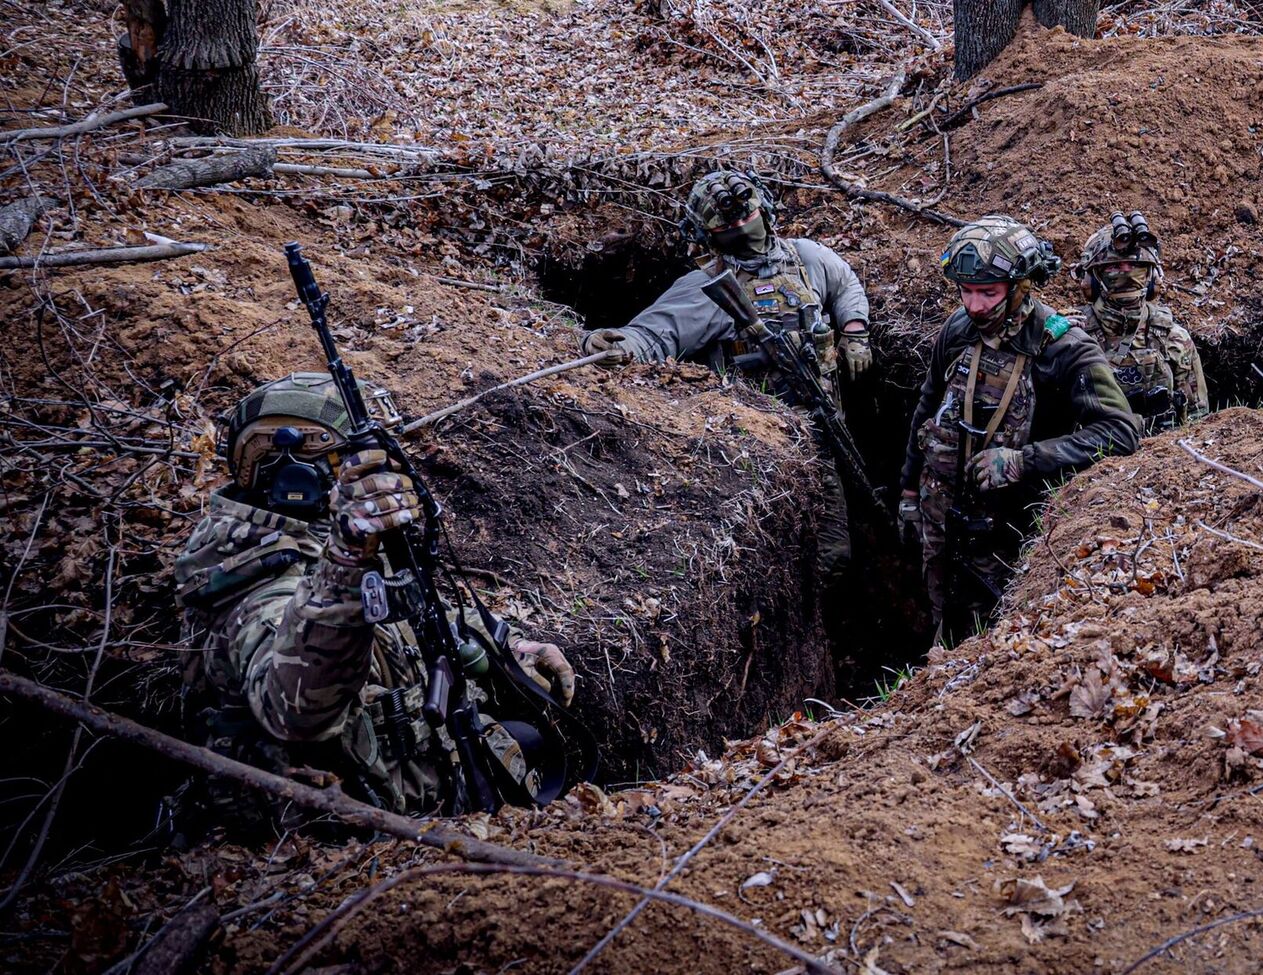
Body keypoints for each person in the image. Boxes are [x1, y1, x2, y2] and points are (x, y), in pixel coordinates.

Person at [173, 373, 576, 830]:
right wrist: (346, 556)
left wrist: (511, 645)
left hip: (417, 799)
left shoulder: (325, 534)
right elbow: (297, 710)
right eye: (351, 461)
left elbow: (416, 614)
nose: (378, 476)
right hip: (327, 842)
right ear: (294, 474)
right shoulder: (251, 579)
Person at [578, 170, 872, 582]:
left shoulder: (807, 259)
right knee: (803, 557)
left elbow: (845, 285)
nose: (740, 226)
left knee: (838, 546)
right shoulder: (710, 286)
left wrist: (855, 331)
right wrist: (615, 345)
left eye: (744, 214)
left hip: (825, 427)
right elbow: (657, 332)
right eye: (727, 223)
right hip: (758, 451)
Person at [897, 215, 1139, 642]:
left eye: (988, 293)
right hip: (944, 520)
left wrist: (1023, 461)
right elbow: (929, 405)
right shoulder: (957, 330)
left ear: (1022, 286)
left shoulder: (1064, 348)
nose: (974, 306)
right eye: (966, 292)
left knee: (997, 637)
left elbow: (1119, 432)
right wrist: (909, 492)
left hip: (1012, 531)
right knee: (943, 621)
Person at [1069, 212, 1208, 433]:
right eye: (1113, 267)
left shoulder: (1174, 338)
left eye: (1136, 267)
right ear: (1091, 280)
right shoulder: (1072, 339)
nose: (1126, 272)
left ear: (1153, 278)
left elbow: (1199, 422)